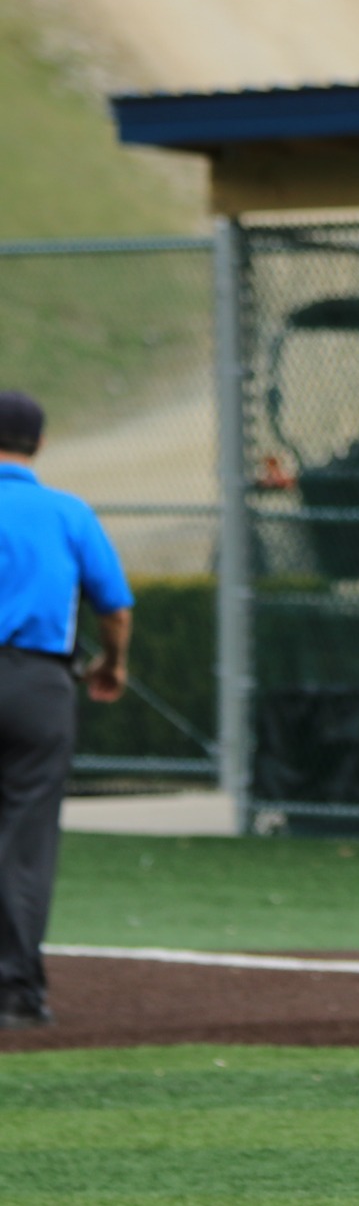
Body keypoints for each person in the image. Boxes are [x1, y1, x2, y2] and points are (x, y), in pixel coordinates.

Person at [0, 390, 133, 1031]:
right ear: (40, 443)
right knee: (25, 838)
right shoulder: (67, 511)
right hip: (37, 684)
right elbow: (115, 606)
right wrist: (113, 664)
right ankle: (16, 993)